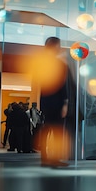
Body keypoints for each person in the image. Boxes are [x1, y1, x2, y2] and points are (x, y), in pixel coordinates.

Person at [36, 37, 70, 167]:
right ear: (55, 46)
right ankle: (53, 159)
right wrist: (65, 103)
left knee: (47, 130)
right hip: (56, 101)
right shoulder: (59, 64)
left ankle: (45, 158)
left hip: (47, 101)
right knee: (56, 131)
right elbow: (62, 85)